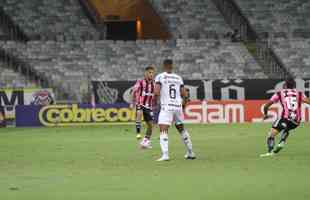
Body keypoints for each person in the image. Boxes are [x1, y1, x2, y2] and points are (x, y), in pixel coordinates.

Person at [154, 59, 196, 161]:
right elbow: (185, 94)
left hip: (167, 107)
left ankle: (165, 155)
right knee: (181, 129)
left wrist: (155, 103)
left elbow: (156, 92)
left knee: (163, 129)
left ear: (164, 66)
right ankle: (190, 152)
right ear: (172, 66)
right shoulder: (178, 78)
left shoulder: (160, 76)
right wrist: (183, 106)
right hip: (177, 107)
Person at [260, 78, 310, 157]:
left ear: (285, 85)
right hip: (297, 120)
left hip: (285, 118)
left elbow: (266, 106)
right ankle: (282, 141)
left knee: (271, 134)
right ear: (294, 86)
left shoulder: (279, 93)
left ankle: (270, 152)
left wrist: (266, 114)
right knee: (287, 128)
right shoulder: (300, 93)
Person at [131, 65, 156, 148]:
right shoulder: (140, 82)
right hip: (140, 104)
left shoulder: (154, 84)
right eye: (149, 72)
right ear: (145, 73)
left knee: (151, 125)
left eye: (152, 73)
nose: (151, 74)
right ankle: (138, 133)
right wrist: (132, 102)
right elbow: (133, 92)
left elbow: (156, 95)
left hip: (149, 107)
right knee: (139, 113)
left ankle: (145, 142)